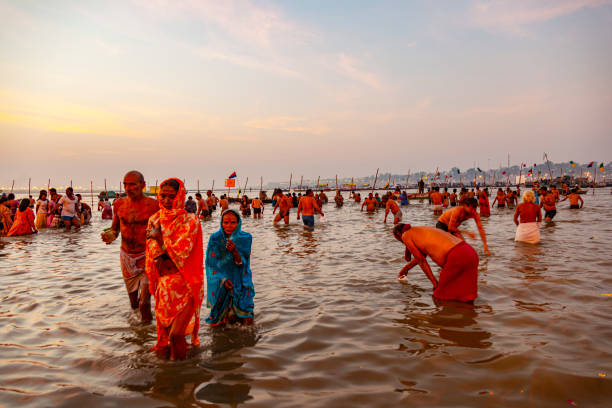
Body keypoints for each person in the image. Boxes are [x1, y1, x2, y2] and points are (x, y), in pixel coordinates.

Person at [145, 178, 204, 360]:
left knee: (177, 335)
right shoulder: (154, 220)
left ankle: (181, 380)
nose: (167, 200)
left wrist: (161, 240)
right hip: (164, 285)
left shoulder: (190, 221)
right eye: (163, 196)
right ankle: (172, 376)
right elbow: (159, 260)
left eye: (172, 196)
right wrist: (164, 249)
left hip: (186, 284)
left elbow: (179, 255)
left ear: (180, 197)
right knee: (168, 340)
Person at [101, 171, 158, 323]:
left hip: (147, 256)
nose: (128, 188)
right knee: (134, 304)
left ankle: (147, 340)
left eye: (132, 184)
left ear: (143, 185)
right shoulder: (119, 204)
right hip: (127, 257)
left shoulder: (154, 205)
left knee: (144, 303)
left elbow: (164, 231)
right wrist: (110, 236)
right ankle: (137, 334)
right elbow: (116, 229)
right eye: (125, 184)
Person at [393, 224, 479, 302]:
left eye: (398, 240)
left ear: (398, 234)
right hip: (470, 252)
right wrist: (406, 268)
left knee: (439, 298)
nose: (401, 242)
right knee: (466, 298)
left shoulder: (405, 235)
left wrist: (434, 283)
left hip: (456, 256)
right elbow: (421, 257)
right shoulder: (421, 229)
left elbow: (422, 261)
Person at [205, 209, 254, 326]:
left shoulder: (246, 238)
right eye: (225, 222)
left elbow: (243, 263)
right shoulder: (215, 238)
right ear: (221, 223)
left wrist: (235, 251)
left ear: (238, 223)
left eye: (233, 222)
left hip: (241, 280)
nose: (229, 226)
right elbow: (211, 264)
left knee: (247, 320)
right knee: (219, 322)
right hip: (222, 281)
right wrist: (222, 280)